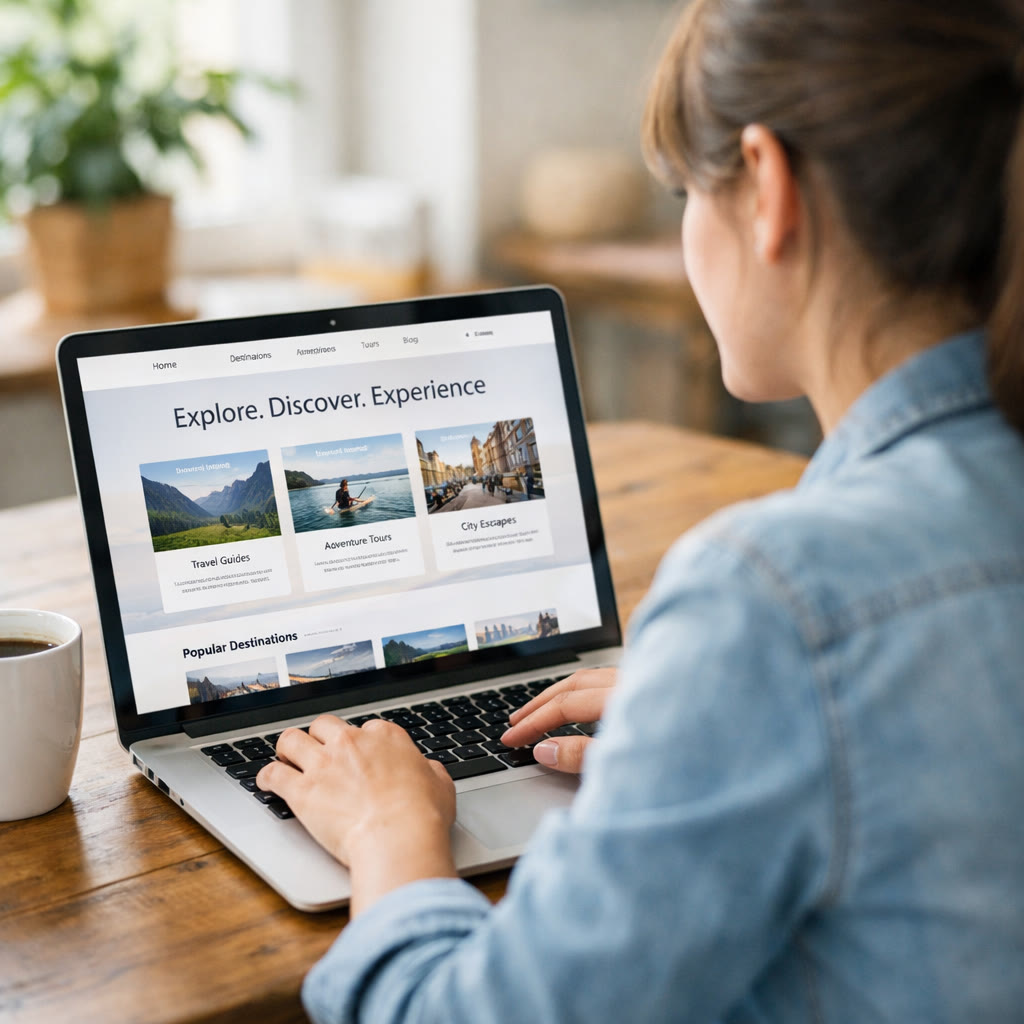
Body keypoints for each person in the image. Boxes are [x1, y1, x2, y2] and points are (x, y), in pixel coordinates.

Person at [258, 2, 1024, 1020]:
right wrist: (706, 721)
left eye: (682, 193)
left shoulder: (776, 601)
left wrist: (387, 830)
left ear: (766, 186)